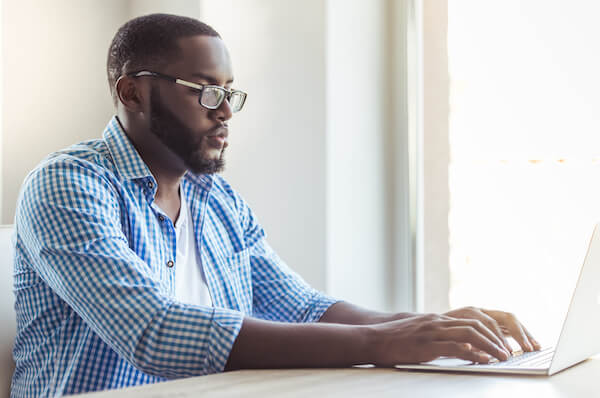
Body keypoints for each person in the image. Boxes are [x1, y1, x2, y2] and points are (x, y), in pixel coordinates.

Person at [10, 13, 540, 397]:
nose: (225, 113)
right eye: (205, 91)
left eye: (229, 93)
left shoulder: (217, 200)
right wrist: (382, 342)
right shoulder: (69, 185)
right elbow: (154, 330)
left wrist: (429, 328)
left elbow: (304, 308)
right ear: (132, 94)